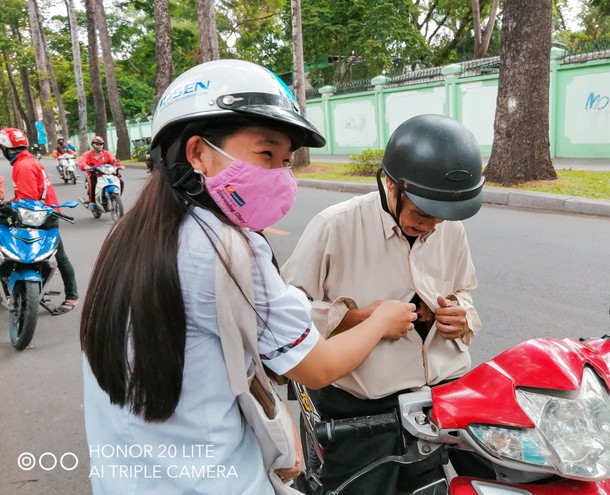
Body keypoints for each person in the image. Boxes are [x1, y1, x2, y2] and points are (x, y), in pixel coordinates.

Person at [80, 59, 417, 495]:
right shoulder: (228, 247)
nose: (280, 174)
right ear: (197, 152)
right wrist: (381, 321)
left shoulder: (133, 234)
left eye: (284, 160)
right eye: (266, 153)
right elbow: (317, 368)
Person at [281, 114, 486, 494]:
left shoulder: (450, 229)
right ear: (390, 185)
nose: (430, 227)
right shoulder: (334, 227)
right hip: (364, 410)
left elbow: (464, 290)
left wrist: (461, 316)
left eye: (441, 218)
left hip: (442, 395)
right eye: (421, 214)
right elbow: (289, 315)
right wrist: (358, 319)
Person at [0, 127, 80, 315]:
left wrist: (9, 207)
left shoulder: (23, 166)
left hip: (41, 216)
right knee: (59, 256)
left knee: (58, 256)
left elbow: (28, 200)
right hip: (45, 212)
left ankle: (72, 296)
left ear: (6, 148)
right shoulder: (27, 161)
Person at [77, 136, 124, 205]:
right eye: (97, 144)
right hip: (94, 175)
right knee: (92, 184)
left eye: (101, 144)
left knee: (120, 181)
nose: (99, 146)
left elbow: (114, 160)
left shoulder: (106, 153)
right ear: (93, 145)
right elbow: (81, 162)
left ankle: (116, 196)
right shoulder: (87, 154)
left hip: (107, 173)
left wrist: (119, 165)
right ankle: (92, 202)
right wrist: (85, 166)